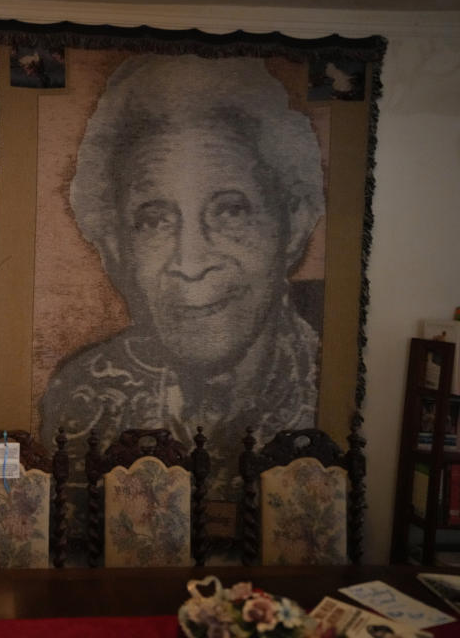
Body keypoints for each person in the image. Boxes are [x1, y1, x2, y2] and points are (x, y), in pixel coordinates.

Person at [41, 54, 326, 523]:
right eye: (154, 220)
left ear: (292, 224)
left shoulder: (321, 371)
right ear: (116, 249)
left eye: (230, 211)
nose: (190, 263)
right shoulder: (81, 393)